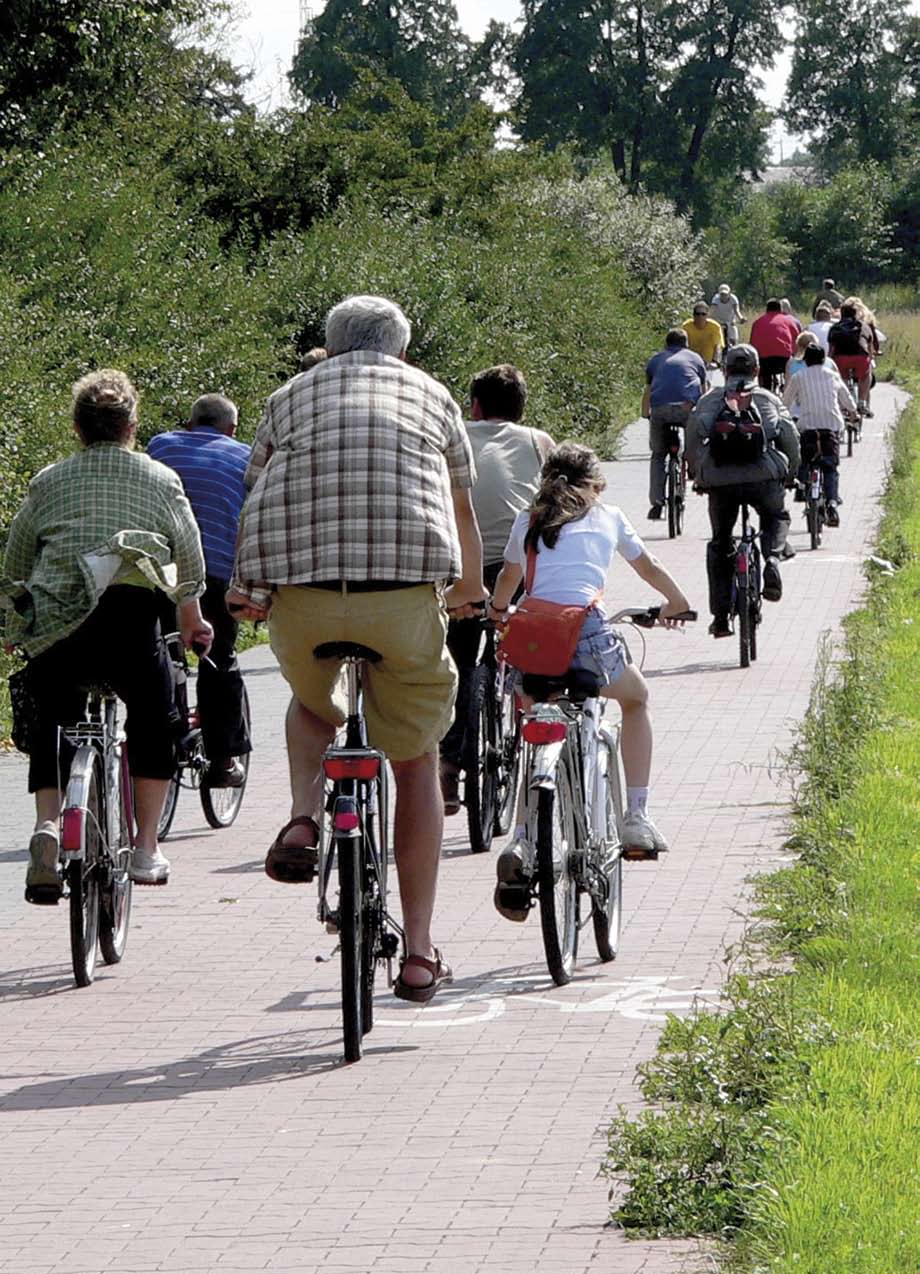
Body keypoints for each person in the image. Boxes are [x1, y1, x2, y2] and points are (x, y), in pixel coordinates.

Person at [227, 295, 487, 1003]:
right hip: (401, 597)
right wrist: (466, 591)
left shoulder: (288, 394)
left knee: (314, 704)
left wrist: (247, 586)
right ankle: (421, 951)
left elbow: (255, 494)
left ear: (332, 345)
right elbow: (460, 506)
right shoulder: (431, 395)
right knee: (417, 761)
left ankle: (306, 816)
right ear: (400, 350)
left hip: (304, 595)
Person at [1, 370, 211, 900]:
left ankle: (48, 825)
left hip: (57, 622)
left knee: (50, 714)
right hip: (130, 619)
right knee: (152, 715)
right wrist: (192, 619)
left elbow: (17, 558)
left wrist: (14, 622)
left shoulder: (49, 480)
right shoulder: (160, 479)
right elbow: (188, 557)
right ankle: (145, 847)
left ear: (77, 428)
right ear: (132, 426)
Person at [486, 442, 692, 918]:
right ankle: (636, 816)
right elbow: (648, 566)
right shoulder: (608, 515)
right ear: (596, 484)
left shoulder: (529, 520)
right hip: (587, 634)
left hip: (535, 641)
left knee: (533, 730)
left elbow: (508, 580)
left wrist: (499, 614)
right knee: (636, 698)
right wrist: (675, 602)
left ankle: (521, 837)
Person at [439, 364, 553, 815]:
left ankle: (447, 768)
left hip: (459, 565)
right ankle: (538, 731)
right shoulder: (537, 442)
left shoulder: (453, 437)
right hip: (517, 564)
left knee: (459, 661)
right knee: (531, 650)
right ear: (521, 408)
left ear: (475, 405)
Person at [147, 394, 252, 786]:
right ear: (231, 429)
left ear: (190, 424)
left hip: (161, 571)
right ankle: (223, 762)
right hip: (215, 573)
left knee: (164, 658)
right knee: (218, 657)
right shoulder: (244, 456)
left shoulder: (160, 444)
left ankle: (168, 740)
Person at [687, 344, 800, 637]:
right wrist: (790, 474)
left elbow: (693, 438)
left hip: (720, 481)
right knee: (776, 517)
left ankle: (721, 617)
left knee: (720, 543)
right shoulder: (767, 398)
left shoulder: (710, 400)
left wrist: (698, 475)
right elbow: (790, 437)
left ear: (725, 371)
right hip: (764, 477)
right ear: (757, 370)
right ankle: (773, 559)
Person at [784, 345, 857, 527]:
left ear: (806, 360)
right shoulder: (832, 375)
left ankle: (801, 485)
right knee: (830, 468)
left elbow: (785, 401)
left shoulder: (798, 377)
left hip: (808, 427)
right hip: (830, 427)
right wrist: (854, 413)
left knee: (805, 458)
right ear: (824, 359)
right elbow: (846, 399)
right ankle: (832, 503)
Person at [642, 328, 707, 520]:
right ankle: (696, 477)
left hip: (660, 409)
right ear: (686, 343)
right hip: (686, 409)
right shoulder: (695, 359)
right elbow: (703, 390)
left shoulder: (655, 360)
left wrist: (645, 414)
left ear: (666, 343)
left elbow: (648, 390)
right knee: (694, 446)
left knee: (658, 454)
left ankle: (656, 503)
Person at [828, 302, 874, 416]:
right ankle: (862, 402)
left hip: (840, 358)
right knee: (866, 375)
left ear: (841, 314)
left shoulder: (835, 327)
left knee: (841, 378)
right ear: (856, 314)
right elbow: (870, 349)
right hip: (860, 357)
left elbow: (831, 351)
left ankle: (843, 404)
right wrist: (871, 357)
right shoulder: (864, 326)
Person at [749, 299, 800, 392]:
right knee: (789, 373)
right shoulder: (789, 320)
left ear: (767, 309)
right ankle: (787, 390)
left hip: (764, 360)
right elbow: (797, 340)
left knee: (765, 378)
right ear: (780, 309)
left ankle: (764, 392)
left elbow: (752, 344)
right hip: (783, 359)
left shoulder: (757, 322)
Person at [784, 329, 820, 410]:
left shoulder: (791, 363)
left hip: (798, 401)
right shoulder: (824, 362)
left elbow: (787, 386)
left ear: (798, 346)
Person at [682, 302, 724, 367]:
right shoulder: (686, 326)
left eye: (703, 314)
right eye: (697, 314)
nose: (700, 316)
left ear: (707, 315)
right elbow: (681, 345)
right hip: (690, 362)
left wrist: (715, 361)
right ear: (693, 315)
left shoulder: (714, 326)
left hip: (708, 363)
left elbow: (718, 346)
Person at [709, 284, 745, 349]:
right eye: (722, 294)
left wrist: (741, 318)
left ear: (729, 293)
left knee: (734, 341)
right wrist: (707, 317)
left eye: (725, 294)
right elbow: (712, 310)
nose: (724, 296)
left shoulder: (733, 299)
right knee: (718, 342)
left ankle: (734, 352)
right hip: (720, 322)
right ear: (719, 294)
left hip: (730, 322)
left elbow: (736, 310)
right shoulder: (716, 299)